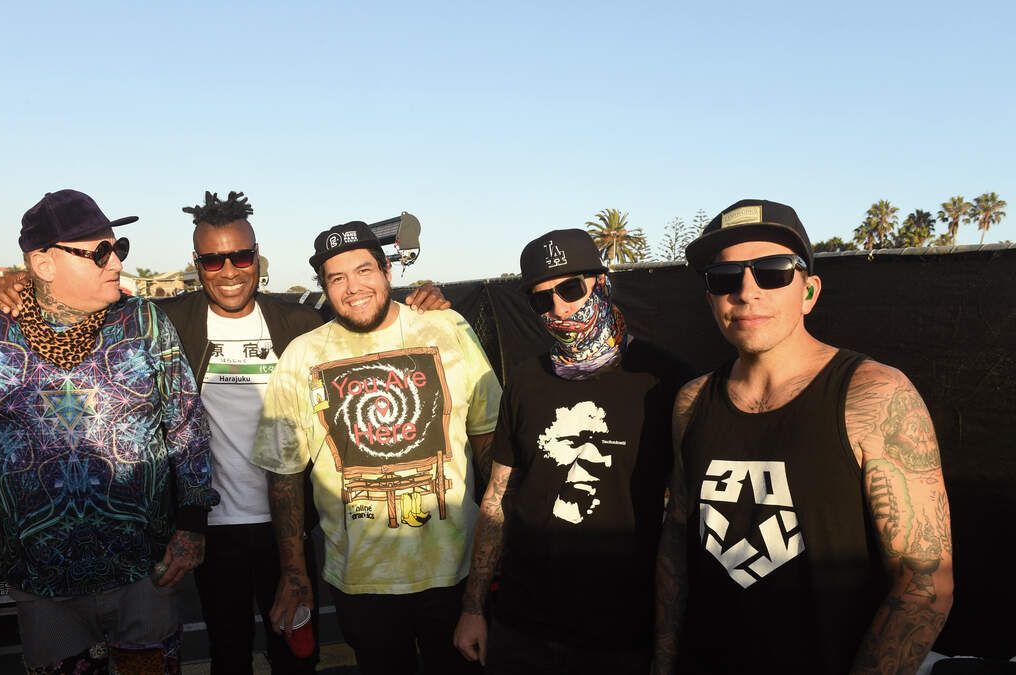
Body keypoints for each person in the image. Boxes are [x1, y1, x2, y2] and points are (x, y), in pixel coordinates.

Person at [0, 190, 450, 675]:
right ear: (197, 263)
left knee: (297, 653)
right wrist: (19, 282)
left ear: (257, 257)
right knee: (228, 653)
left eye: (241, 256)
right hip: (211, 530)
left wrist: (424, 301)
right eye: (212, 260)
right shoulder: (168, 321)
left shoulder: (299, 322)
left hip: (288, 527)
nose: (229, 271)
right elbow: (77, 303)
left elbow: (366, 322)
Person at [653, 199, 954, 674]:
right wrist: (664, 662)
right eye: (724, 278)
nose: (747, 292)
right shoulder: (691, 402)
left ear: (809, 291)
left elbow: (925, 583)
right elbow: (676, 544)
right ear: (710, 299)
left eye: (772, 272)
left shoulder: (874, 394)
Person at [0, 189, 218, 673]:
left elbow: (186, 426)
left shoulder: (144, 322)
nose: (117, 262)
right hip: (42, 583)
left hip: (145, 572)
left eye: (118, 248)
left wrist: (192, 523)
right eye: (99, 252)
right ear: (43, 264)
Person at [253, 221, 503, 675]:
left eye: (364, 270)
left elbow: (490, 444)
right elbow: (284, 476)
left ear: (387, 270)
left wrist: (503, 551)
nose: (353, 287)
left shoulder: (446, 328)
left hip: (456, 575)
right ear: (324, 287)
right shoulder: (302, 356)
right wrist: (294, 572)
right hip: (361, 582)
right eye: (337, 277)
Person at [451, 229, 693, 674]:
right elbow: (498, 498)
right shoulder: (526, 381)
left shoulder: (666, 380)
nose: (559, 308)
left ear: (601, 283)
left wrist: (667, 646)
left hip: (621, 631)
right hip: (522, 624)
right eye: (542, 299)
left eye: (570, 289)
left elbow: (682, 519)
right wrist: (474, 607)